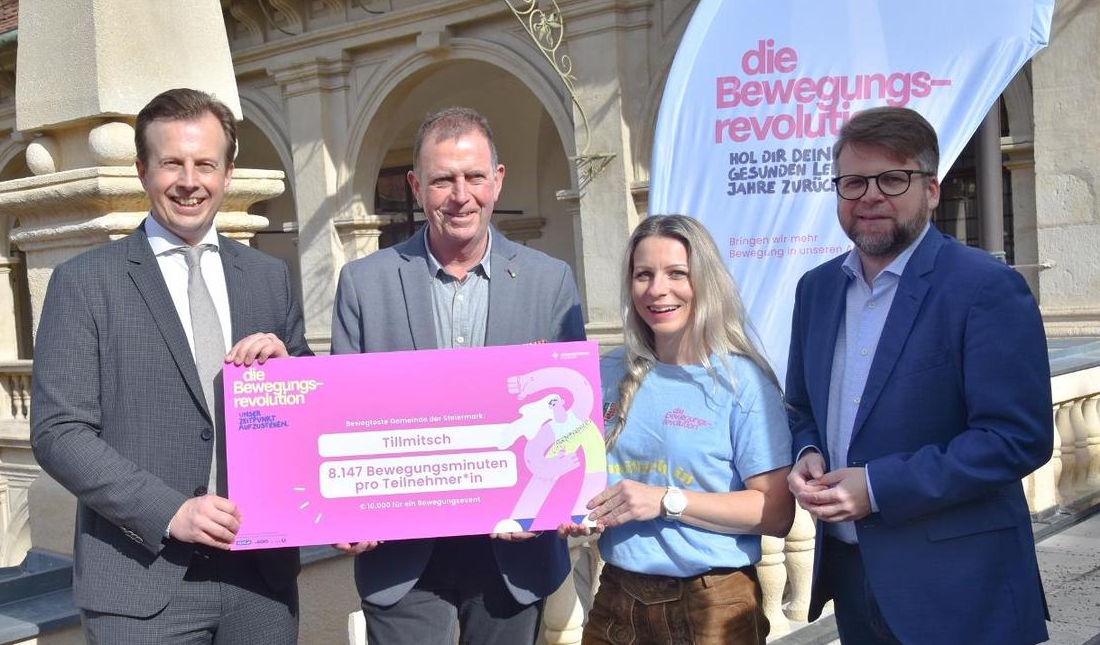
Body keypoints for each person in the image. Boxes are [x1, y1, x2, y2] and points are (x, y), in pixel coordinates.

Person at [31, 88, 312, 643]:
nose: (190, 181)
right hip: (141, 583)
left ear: (228, 174)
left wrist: (291, 372)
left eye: (206, 164)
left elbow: (305, 413)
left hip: (260, 579)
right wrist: (169, 511)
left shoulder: (267, 276)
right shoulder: (84, 283)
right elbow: (58, 432)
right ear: (142, 171)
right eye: (172, 164)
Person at [786, 105, 1053, 644]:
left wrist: (879, 486)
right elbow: (801, 408)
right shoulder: (815, 291)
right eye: (854, 181)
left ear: (931, 190)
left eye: (892, 178)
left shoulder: (985, 289)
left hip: (961, 589)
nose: (870, 195)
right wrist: (806, 452)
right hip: (853, 577)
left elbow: (1017, 438)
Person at [330, 107, 585, 644]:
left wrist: (573, 491)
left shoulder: (550, 282)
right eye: (443, 179)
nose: (460, 195)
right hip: (402, 559)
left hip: (513, 555)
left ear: (497, 181)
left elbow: (571, 411)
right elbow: (342, 416)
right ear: (417, 186)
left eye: (473, 177)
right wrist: (344, 513)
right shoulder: (363, 284)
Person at [561, 214, 794, 645]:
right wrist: (570, 513)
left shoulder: (742, 384)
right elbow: (573, 472)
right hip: (617, 596)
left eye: (676, 274)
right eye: (643, 275)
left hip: (714, 603)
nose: (657, 289)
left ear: (704, 282)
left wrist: (665, 500)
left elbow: (777, 513)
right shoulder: (604, 373)